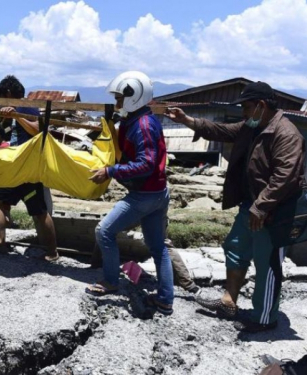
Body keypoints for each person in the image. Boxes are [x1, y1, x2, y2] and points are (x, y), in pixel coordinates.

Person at [165, 81, 306, 333]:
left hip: (273, 211)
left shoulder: (286, 133)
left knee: (267, 262)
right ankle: (228, 302)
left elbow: (286, 175)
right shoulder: (252, 126)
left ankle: (265, 318)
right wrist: (188, 120)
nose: (243, 112)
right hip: (251, 205)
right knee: (236, 249)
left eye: (246, 106)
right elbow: (220, 130)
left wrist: (262, 207)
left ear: (261, 106)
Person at [87, 71, 174, 316]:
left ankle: (111, 280)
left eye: (119, 98)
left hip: (144, 195)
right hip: (158, 192)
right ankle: (166, 299)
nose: (117, 103)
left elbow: (146, 163)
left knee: (104, 231)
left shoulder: (143, 125)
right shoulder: (138, 119)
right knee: (158, 247)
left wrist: (110, 170)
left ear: (132, 97)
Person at [0, 75, 58, 261]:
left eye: (2, 98)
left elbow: (38, 129)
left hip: (28, 169)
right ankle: (1, 242)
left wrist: (17, 114)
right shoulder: (14, 110)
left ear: (8, 93)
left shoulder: (26, 105)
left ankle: (52, 252)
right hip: (14, 167)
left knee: (40, 212)